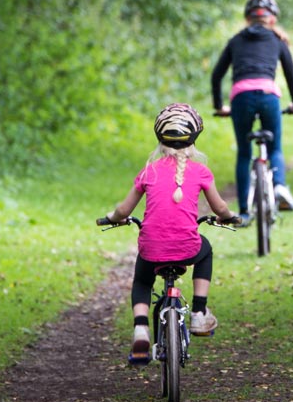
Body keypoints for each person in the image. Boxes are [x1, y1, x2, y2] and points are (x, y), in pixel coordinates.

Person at [98, 103, 240, 365]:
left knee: (142, 280)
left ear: (160, 139)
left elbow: (123, 209)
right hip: (188, 247)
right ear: (193, 139)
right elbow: (219, 207)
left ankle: (141, 328)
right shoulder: (200, 171)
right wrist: (229, 217)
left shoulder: (148, 171)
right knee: (205, 251)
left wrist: (112, 218)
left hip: (152, 247)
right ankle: (198, 311)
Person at [211, 0, 293, 223]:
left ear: (247, 19)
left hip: (241, 97)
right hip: (268, 96)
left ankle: (243, 212)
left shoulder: (236, 40)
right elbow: (291, 75)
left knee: (244, 153)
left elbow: (216, 76)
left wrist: (220, 106)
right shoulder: (277, 40)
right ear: (272, 19)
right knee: (274, 148)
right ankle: (280, 187)